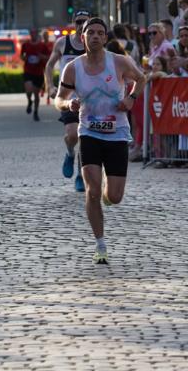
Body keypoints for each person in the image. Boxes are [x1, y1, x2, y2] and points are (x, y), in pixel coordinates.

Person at [55, 17, 146, 266]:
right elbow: (58, 98)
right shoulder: (73, 67)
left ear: (105, 38)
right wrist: (67, 104)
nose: (95, 36)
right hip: (89, 134)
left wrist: (131, 99)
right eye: (90, 32)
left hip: (117, 133)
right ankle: (100, 244)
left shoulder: (118, 62)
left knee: (114, 197)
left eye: (99, 33)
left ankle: (109, 193)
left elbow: (142, 78)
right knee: (92, 190)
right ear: (82, 37)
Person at [45, 9, 90, 192]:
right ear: (73, 22)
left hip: (90, 99)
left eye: (85, 22)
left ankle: (80, 174)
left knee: (85, 138)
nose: (81, 26)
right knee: (72, 135)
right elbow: (49, 65)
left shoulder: (94, 44)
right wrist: (50, 86)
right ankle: (70, 154)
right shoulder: (63, 43)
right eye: (78, 22)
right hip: (68, 97)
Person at [20, 28, 50, 121]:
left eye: (34, 33)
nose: (33, 35)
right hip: (28, 71)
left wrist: (42, 57)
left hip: (39, 72)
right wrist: (24, 58)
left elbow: (49, 57)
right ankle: (29, 101)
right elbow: (22, 55)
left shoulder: (42, 46)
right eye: (31, 33)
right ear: (30, 34)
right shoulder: (26, 45)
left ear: (37, 34)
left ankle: (36, 112)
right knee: (29, 90)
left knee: (36, 94)